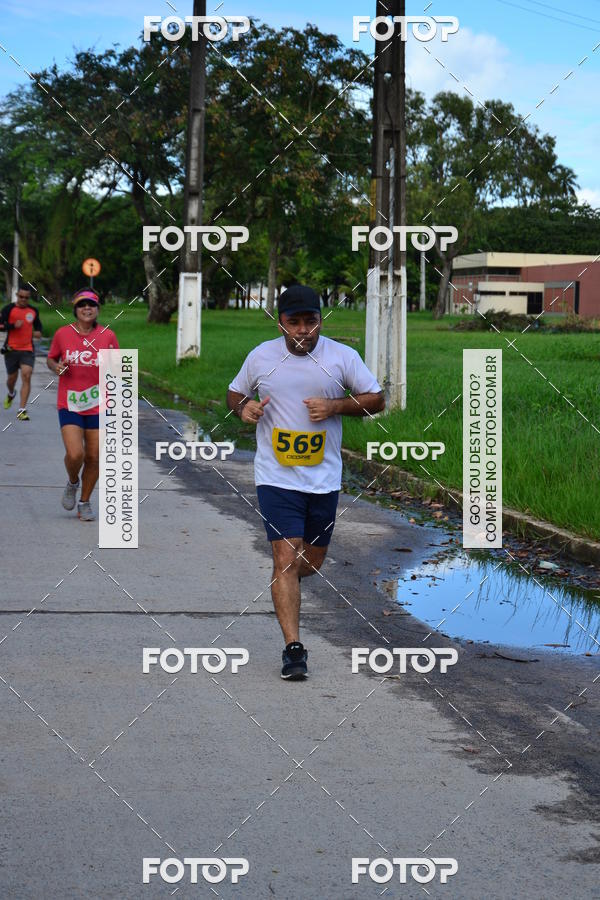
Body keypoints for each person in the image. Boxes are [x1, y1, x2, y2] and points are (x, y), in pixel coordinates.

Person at [227, 284, 384, 679]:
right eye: (293, 322)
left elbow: (376, 398)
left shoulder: (342, 357)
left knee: (307, 563)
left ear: (320, 320)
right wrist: (243, 407)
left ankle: (286, 586)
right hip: (276, 477)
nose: (302, 330)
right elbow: (234, 392)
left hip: (324, 479)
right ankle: (293, 649)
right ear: (280, 322)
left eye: (310, 321)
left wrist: (335, 406)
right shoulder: (262, 357)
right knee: (284, 557)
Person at [47, 288, 119, 522]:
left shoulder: (108, 336)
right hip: (70, 403)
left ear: (97, 310)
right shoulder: (62, 334)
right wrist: (58, 367)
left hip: (99, 404)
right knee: (75, 453)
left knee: (95, 457)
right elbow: (51, 358)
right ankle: (72, 482)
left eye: (91, 304)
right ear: (75, 310)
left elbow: (117, 369)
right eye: (82, 305)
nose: (87, 308)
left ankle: (85, 502)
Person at [1, 285, 43, 420]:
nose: (23, 299)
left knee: (26, 374)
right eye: (21, 297)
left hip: (27, 349)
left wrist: (38, 332)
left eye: (26, 297)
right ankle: (11, 393)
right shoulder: (8, 309)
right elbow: (0, 326)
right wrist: (12, 326)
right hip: (11, 349)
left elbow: (38, 325)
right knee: (11, 379)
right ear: (17, 295)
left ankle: (21, 410)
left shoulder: (33, 311)